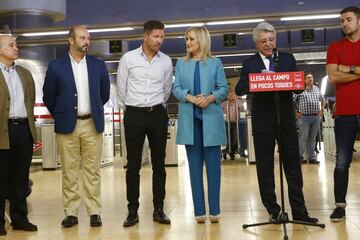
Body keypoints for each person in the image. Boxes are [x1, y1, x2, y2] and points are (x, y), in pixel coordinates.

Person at [235, 22, 318, 223]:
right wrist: (259, 79)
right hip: (263, 122)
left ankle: (300, 211)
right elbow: (239, 89)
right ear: (256, 43)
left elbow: (298, 87)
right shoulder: (250, 63)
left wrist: (285, 79)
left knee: (293, 166)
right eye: (264, 41)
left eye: (271, 40)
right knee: (264, 168)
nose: (269, 44)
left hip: (286, 120)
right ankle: (273, 211)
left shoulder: (287, 59)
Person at [43, 25, 110, 228]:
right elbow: (49, 96)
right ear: (71, 40)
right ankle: (71, 213)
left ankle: (94, 212)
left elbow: (104, 94)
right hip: (67, 127)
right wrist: (63, 114)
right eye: (82, 38)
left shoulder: (98, 65)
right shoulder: (56, 66)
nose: (86, 41)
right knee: (69, 171)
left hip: (92, 124)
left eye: (88, 38)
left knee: (92, 171)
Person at [117, 20, 173, 227]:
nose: (160, 40)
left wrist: (155, 106)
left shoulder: (166, 61)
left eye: (162, 37)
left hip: (158, 114)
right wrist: (132, 109)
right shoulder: (128, 59)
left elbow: (167, 90)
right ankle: (132, 211)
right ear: (146, 36)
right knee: (133, 165)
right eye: (156, 36)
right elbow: (121, 90)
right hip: (134, 115)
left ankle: (159, 209)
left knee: (159, 165)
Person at [172, 26, 228, 223]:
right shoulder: (181, 64)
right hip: (190, 122)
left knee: (214, 168)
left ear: (202, 41)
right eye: (186, 39)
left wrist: (210, 98)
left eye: (191, 39)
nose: (187, 43)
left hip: (211, 121)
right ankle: (198, 211)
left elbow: (223, 88)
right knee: (194, 169)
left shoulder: (215, 63)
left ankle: (214, 210)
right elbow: (176, 88)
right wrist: (190, 98)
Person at [0, 35, 38, 236]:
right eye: (11, 45)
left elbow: (30, 100)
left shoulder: (25, 73)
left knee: (21, 178)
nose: (16, 48)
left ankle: (20, 218)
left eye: (16, 45)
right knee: (1, 177)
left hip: (23, 130)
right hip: (2, 131)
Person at [326, 6, 360, 222]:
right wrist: (357, 69)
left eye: (348, 19)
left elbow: (339, 72)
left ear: (358, 21)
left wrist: (345, 68)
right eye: (342, 21)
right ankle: (340, 206)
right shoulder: (335, 47)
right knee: (342, 161)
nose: (344, 23)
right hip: (345, 113)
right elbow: (332, 76)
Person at [293, 72, 325, 165]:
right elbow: (292, 102)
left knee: (312, 139)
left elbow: (323, 99)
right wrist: (295, 112)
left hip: (315, 117)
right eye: (308, 77)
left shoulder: (316, 89)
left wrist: (322, 109)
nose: (310, 79)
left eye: (311, 77)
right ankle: (300, 157)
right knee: (303, 138)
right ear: (304, 80)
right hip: (304, 118)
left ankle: (311, 158)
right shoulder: (300, 89)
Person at [222, 91, 244, 160]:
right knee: (227, 139)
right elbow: (219, 110)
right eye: (229, 95)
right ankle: (225, 152)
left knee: (235, 138)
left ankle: (232, 152)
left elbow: (242, 108)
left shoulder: (237, 102)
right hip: (226, 123)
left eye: (232, 94)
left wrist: (238, 99)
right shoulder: (225, 103)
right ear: (227, 96)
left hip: (235, 123)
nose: (231, 96)